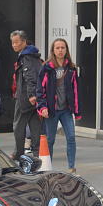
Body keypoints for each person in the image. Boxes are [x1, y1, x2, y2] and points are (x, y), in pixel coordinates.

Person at [36, 38, 80, 173]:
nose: (60, 50)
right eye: (57, 48)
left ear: (66, 50)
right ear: (53, 51)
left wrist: (77, 111)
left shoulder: (71, 68)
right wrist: (42, 108)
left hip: (66, 110)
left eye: (63, 48)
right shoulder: (47, 68)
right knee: (50, 140)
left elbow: (76, 90)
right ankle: (48, 168)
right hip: (51, 110)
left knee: (71, 137)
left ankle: (71, 167)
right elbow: (40, 90)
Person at [10, 30, 42, 159]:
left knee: (18, 126)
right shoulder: (34, 56)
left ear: (24, 42)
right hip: (34, 97)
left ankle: (18, 153)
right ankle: (37, 152)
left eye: (16, 42)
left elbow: (29, 76)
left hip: (25, 97)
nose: (14, 45)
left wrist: (31, 95)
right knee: (35, 126)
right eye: (12, 43)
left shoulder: (26, 57)